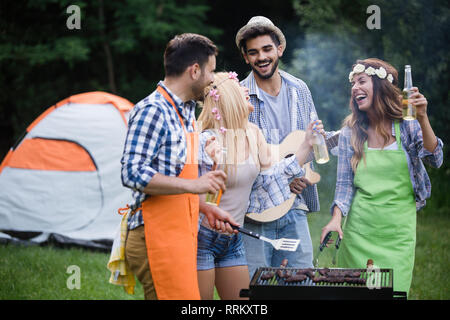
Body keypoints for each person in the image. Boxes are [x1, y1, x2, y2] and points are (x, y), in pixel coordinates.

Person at [120, 33, 238, 300]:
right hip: (155, 236)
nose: (211, 79)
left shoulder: (185, 112)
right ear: (194, 70)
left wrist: (204, 207)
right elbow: (132, 172)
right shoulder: (153, 110)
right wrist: (194, 185)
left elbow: (171, 176)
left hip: (180, 235)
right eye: (210, 70)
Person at [196, 71, 325, 299]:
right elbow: (187, 193)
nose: (246, 89)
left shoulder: (252, 133)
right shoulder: (205, 140)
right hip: (202, 237)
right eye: (239, 87)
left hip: (232, 237)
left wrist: (306, 145)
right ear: (226, 97)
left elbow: (269, 178)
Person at [320, 58, 443, 295]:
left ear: (381, 86)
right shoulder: (351, 133)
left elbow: (435, 159)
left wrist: (423, 118)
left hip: (397, 235)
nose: (355, 87)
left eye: (362, 81)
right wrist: (336, 218)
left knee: (393, 293)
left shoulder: (407, 125)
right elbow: (344, 185)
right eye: (353, 83)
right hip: (359, 233)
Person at [235, 16, 335, 277]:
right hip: (254, 215)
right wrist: (285, 176)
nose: (262, 57)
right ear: (246, 57)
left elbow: (310, 144)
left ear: (279, 48)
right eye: (253, 52)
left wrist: (303, 173)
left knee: (302, 286)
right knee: (255, 290)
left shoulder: (300, 89)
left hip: (294, 208)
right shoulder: (237, 97)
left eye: (267, 49)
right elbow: (240, 160)